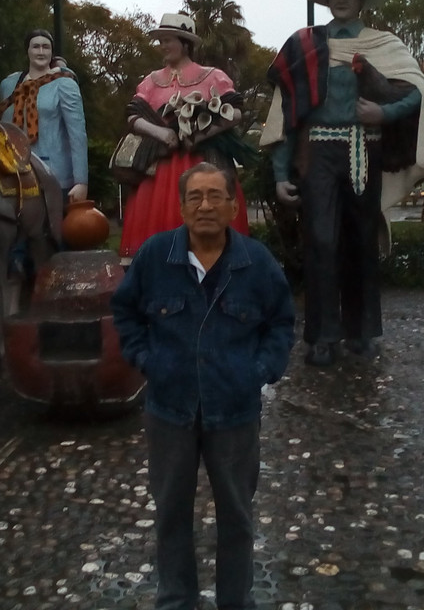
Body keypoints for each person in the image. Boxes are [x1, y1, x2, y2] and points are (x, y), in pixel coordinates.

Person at [111, 161, 295, 610]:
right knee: (171, 514)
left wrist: (261, 370)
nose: (206, 205)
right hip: (169, 410)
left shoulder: (257, 263)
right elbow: (125, 311)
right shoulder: (155, 256)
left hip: (234, 412)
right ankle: (176, 599)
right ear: (181, 207)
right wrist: (144, 359)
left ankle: (236, 601)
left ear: (234, 206)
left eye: (216, 196)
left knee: (236, 516)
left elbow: (282, 323)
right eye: (195, 197)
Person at [260, 0, 424, 366]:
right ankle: (321, 336)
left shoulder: (384, 44)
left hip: (366, 148)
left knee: (361, 241)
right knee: (321, 240)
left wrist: (384, 112)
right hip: (319, 152)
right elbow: (286, 111)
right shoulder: (303, 45)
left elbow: (420, 92)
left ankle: (361, 332)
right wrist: (279, 173)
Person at [118, 13, 254, 262]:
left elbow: (234, 113)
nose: (163, 46)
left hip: (204, 163)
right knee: (159, 220)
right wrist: (162, 133)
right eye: (161, 41)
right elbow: (132, 117)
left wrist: (200, 134)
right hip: (160, 167)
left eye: (168, 40)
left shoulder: (212, 76)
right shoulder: (151, 81)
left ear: (184, 43)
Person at [0, 29, 88, 202]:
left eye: (46, 47)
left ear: (52, 52)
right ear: (27, 50)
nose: (41, 51)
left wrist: (81, 181)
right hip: (13, 173)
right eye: (35, 46)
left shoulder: (64, 83)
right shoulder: (9, 85)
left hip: (53, 175)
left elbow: (77, 134)